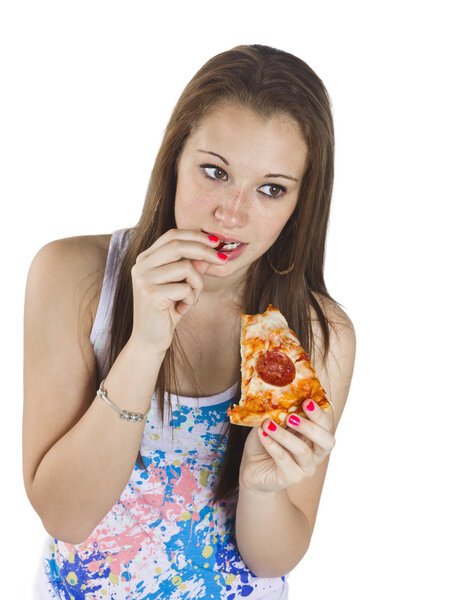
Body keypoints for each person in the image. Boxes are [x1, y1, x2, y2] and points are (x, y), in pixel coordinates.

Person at [23, 44, 356, 599]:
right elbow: (65, 517)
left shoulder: (314, 332)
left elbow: (273, 557)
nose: (232, 213)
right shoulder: (73, 278)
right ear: (173, 160)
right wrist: (144, 347)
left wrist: (262, 487)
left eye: (271, 188)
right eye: (214, 171)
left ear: (302, 202)